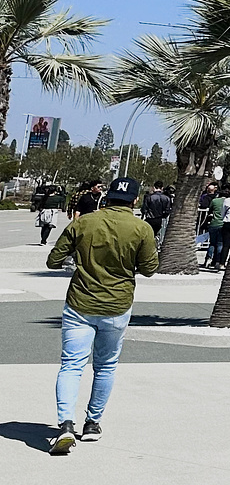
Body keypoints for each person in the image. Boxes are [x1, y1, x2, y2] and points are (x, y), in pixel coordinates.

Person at [45, 177, 159, 455]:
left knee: (72, 364)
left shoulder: (83, 222)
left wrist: (78, 259)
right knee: (105, 365)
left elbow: (53, 260)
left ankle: (65, 424)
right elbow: (149, 269)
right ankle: (93, 423)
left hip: (80, 303)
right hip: (117, 306)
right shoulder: (141, 228)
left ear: (106, 197)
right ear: (134, 201)